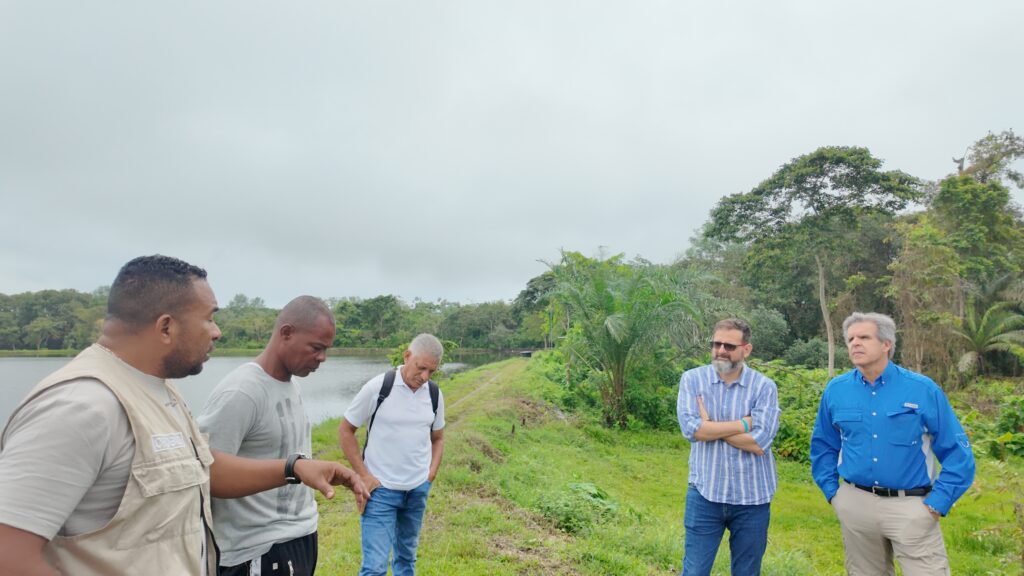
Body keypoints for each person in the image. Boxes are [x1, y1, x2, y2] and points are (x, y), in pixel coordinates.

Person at [0, 255, 368, 576]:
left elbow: (205, 469)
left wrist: (293, 468)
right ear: (166, 327)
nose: (217, 332)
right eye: (208, 319)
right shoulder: (81, 406)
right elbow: (9, 556)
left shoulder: (160, 391)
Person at [810, 312, 975, 575]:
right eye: (850, 339)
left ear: (886, 344)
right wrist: (834, 493)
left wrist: (938, 503)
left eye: (864, 337)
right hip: (856, 505)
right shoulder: (836, 390)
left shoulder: (922, 390)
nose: (855, 343)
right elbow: (823, 446)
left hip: (912, 508)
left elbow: (958, 453)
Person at [198, 295, 341, 575]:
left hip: (299, 536)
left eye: (326, 350)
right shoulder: (242, 391)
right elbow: (206, 471)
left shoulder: (291, 384)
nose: (322, 358)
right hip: (256, 549)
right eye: (316, 348)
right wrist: (293, 468)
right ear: (286, 333)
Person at [676, 318, 781, 576]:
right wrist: (743, 424)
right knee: (694, 571)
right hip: (705, 494)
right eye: (716, 344)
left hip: (752, 500)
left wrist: (710, 427)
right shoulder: (692, 380)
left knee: (747, 572)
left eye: (729, 346)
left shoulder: (764, 387)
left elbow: (759, 442)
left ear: (746, 349)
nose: (721, 350)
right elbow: (692, 430)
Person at [339, 334, 446, 576]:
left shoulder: (434, 394)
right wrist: (363, 475)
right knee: (375, 568)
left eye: (431, 371)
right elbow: (345, 431)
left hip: (417, 490)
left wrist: (430, 475)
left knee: (406, 561)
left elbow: (438, 438)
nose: (425, 377)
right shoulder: (378, 388)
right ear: (407, 356)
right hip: (380, 492)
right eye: (421, 368)